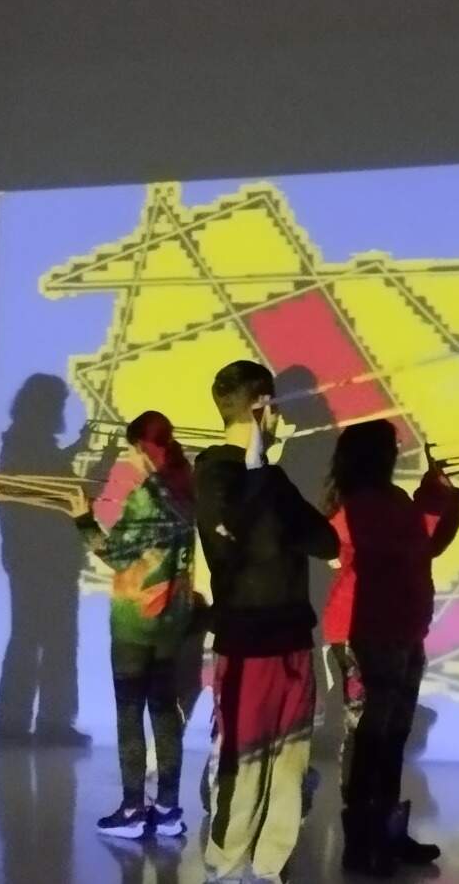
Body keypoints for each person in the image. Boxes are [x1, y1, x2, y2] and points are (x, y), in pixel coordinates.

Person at [193, 360, 340, 883]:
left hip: (289, 639)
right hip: (247, 642)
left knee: (289, 764)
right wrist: (263, 481)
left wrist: (269, 482)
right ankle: (227, 865)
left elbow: (325, 541)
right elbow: (244, 543)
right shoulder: (216, 474)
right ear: (264, 407)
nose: (281, 417)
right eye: (275, 407)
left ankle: (268, 867)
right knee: (245, 762)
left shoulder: (269, 479)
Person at [319, 420, 459, 877]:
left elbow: (424, 543)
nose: (397, 453)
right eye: (391, 448)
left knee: (390, 736)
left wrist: (437, 494)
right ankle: (363, 843)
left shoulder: (387, 501)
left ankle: (384, 834)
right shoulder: (358, 506)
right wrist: (437, 496)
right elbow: (416, 539)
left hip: (401, 632)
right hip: (364, 634)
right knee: (368, 739)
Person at [71, 410, 199, 840]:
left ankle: (132, 809)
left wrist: (83, 519)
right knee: (165, 709)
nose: (127, 458)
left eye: (130, 449)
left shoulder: (146, 496)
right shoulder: (185, 488)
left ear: (141, 447)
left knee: (130, 712)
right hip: (174, 618)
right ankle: (168, 808)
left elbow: (117, 556)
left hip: (136, 620)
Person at [0, 374, 93, 746]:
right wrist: (98, 465)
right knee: (52, 642)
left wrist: (78, 449)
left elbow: (51, 478)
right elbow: (61, 492)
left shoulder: (21, 442)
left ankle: (18, 722)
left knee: (33, 639)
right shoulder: (27, 445)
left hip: (33, 559)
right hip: (45, 560)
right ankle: (47, 722)